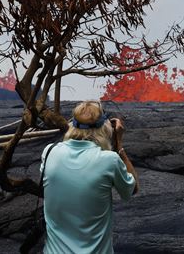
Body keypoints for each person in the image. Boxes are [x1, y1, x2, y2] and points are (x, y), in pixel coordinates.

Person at [41, 101, 139, 254]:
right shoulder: (109, 160)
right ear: (104, 128)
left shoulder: (49, 152)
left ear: (72, 125)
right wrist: (119, 144)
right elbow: (132, 189)